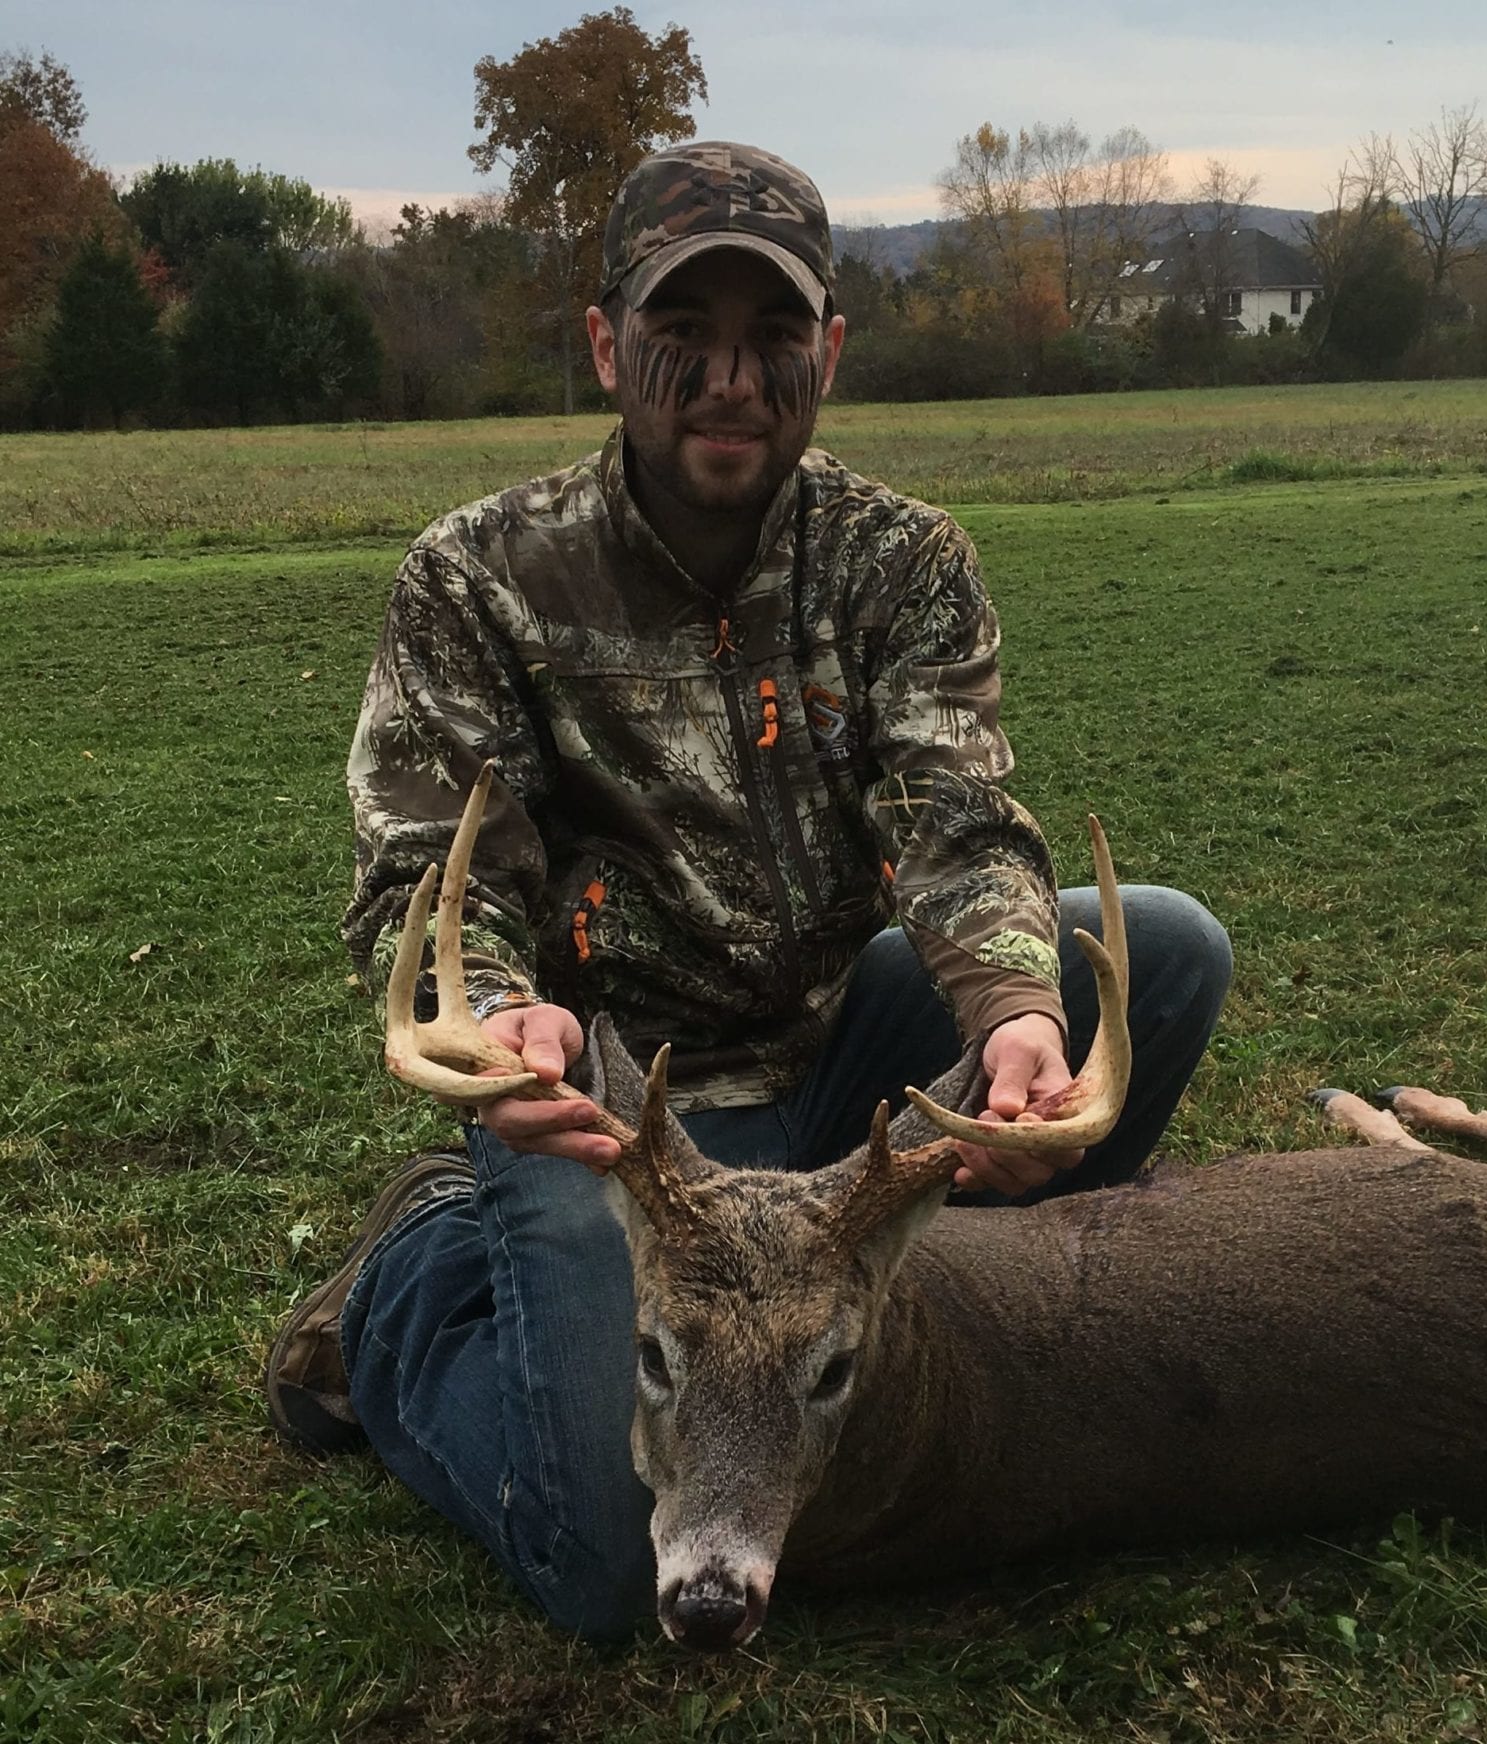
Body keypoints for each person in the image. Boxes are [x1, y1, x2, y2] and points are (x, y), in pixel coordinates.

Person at [265, 141, 1233, 1640]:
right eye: (682, 337)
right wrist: (505, 1017)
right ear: (607, 348)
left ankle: (868, 1335)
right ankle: (399, 1299)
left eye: (773, 339)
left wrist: (1019, 1013)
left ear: (828, 353)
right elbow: (432, 870)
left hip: (843, 1067)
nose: (730, 379)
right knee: (602, 1552)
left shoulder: (900, 563)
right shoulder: (479, 579)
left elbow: (957, 815)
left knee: (1157, 953)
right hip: (616, 1112)